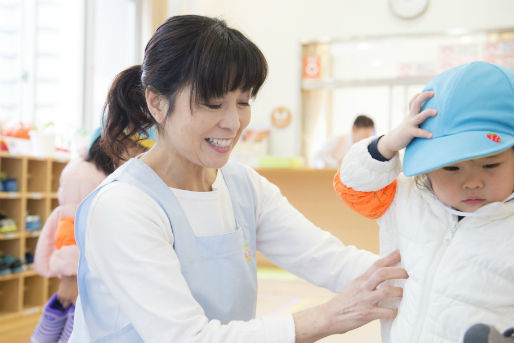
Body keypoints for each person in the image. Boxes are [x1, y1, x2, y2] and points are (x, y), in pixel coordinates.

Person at [69, 15, 408, 342]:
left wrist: (423, 275)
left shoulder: (243, 187)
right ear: (157, 103)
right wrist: (327, 317)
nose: (233, 122)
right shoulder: (122, 206)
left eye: (243, 102)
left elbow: (326, 258)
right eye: (213, 103)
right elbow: (186, 338)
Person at [334, 61, 514, 342]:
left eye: (490, 165)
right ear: (428, 167)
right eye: (451, 168)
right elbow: (352, 187)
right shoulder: (410, 198)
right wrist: (389, 143)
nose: (472, 182)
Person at [31, 129, 153, 343]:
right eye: (136, 148)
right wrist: (70, 278)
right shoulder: (83, 174)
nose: (139, 156)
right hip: (80, 273)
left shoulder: (110, 174)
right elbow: (70, 227)